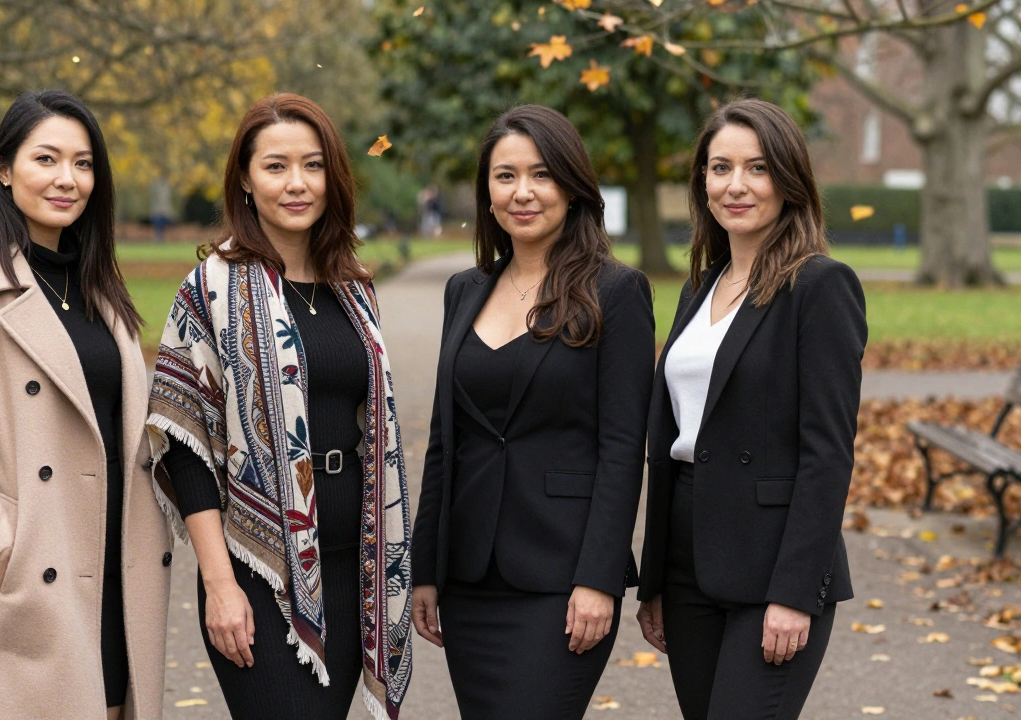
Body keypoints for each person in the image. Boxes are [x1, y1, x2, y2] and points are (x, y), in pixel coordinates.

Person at [0, 90, 173, 720]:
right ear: (4, 168)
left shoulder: (101, 288)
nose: (66, 179)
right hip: (34, 575)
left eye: (82, 164)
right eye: (46, 159)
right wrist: (2, 548)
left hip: (116, 566)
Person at [144, 93, 413, 720]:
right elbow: (184, 447)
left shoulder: (353, 287)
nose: (297, 184)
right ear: (244, 177)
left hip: (355, 567)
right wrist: (219, 584)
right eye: (276, 166)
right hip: (260, 576)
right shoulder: (210, 289)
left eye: (313, 165)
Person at [409, 104, 655, 719]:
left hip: (561, 576)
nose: (523, 193)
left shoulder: (616, 292)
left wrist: (599, 577)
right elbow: (447, 440)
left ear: (572, 187)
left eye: (541, 175)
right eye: (505, 176)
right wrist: (425, 569)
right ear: (486, 192)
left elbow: (623, 448)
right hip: (469, 576)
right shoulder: (465, 290)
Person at [635, 98, 867, 719]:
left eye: (757, 168)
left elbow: (827, 454)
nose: (735, 185)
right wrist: (654, 578)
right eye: (719, 168)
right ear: (702, 183)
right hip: (688, 562)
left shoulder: (819, 286)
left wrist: (795, 593)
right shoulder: (699, 288)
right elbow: (675, 441)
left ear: (789, 181)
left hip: (773, 565)